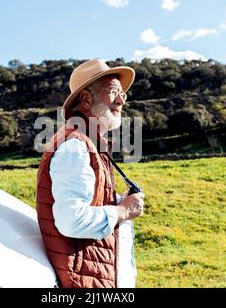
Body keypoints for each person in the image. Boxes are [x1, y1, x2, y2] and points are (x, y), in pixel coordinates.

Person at [36, 59, 145, 288]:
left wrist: (116, 202)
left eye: (123, 93)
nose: (122, 100)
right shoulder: (75, 146)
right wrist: (123, 210)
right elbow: (72, 220)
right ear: (86, 98)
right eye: (113, 92)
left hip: (94, 275)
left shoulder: (89, 141)